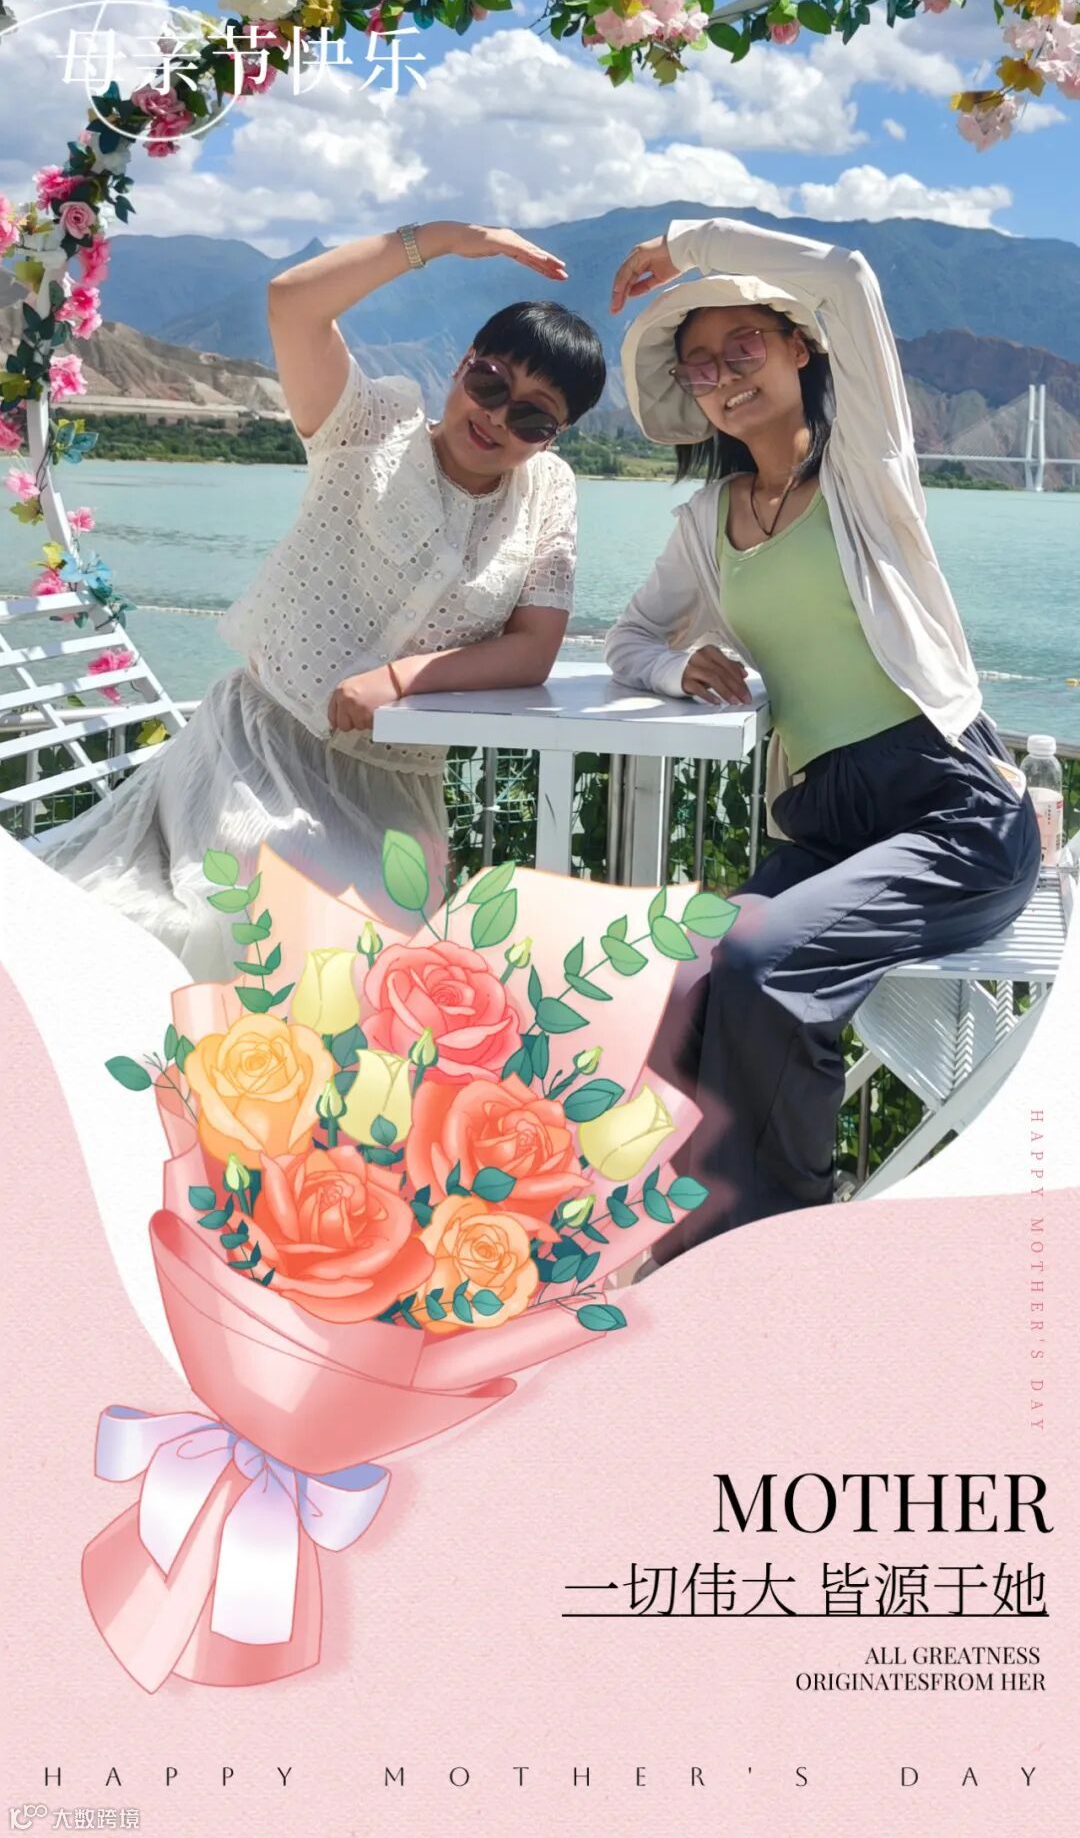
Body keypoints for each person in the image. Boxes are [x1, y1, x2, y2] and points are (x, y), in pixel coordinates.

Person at [604, 212, 1042, 1250]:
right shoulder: (707, 523)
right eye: (702, 365)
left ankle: (781, 1246)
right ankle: (681, 1234)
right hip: (830, 822)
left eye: (745, 345)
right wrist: (676, 665)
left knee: (764, 963)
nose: (725, 376)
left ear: (800, 348)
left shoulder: (863, 473)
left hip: (954, 810)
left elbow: (846, 275)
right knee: (679, 971)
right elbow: (629, 638)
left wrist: (689, 243)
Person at [45, 220, 606, 979]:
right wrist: (442, 239)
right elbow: (293, 303)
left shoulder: (548, 493)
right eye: (490, 384)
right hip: (261, 751)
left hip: (396, 786)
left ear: (555, 436)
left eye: (534, 417)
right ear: (462, 365)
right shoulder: (371, 428)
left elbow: (533, 648)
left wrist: (398, 681)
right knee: (276, 925)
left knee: (382, 966)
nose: (499, 418)